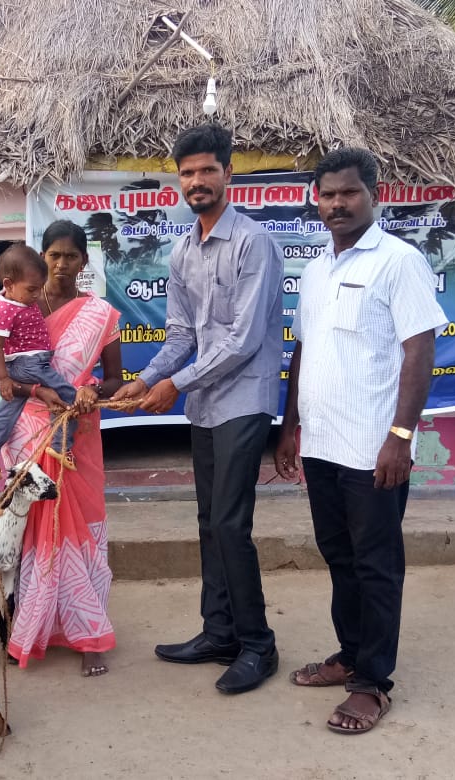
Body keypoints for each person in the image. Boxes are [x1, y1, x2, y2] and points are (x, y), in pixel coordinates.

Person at [274, 148, 447, 734]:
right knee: (339, 556)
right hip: (322, 442)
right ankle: (350, 654)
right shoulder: (315, 270)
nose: (337, 204)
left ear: (375, 195)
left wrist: (400, 436)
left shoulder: (399, 262)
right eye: (327, 195)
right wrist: (289, 428)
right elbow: (303, 351)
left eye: (348, 192)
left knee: (376, 565)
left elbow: (419, 350)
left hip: (375, 448)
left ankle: (373, 682)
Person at [112, 124, 285, 695]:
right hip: (206, 405)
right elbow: (181, 334)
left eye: (207, 169)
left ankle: (258, 645)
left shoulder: (253, 243)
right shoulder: (182, 249)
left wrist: (176, 385)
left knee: (231, 524)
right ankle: (219, 632)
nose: (196, 181)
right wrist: (146, 379)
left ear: (228, 173)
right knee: (209, 522)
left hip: (244, 399)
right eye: (187, 173)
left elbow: (243, 341)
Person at [0, 220, 122, 677]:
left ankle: (88, 634)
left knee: (81, 529)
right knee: (29, 533)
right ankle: (26, 628)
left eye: (71, 256)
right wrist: (37, 391)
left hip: (76, 436)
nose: (62, 264)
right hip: (27, 433)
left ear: (84, 261)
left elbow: (115, 378)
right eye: (54, 255)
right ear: (42, 257)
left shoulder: (100, 314)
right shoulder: (19, 304)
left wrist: (91, 391)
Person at [0, 244, 77, 479]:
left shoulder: (21, 302)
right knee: (69, 395)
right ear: (9, 284)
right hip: (30, 364)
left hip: (26, 364)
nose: (37, 295)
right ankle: (62, 446)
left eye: (40, 288)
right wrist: (3, 379)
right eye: (31, 289)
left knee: (9, 409)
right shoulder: (4, 310)